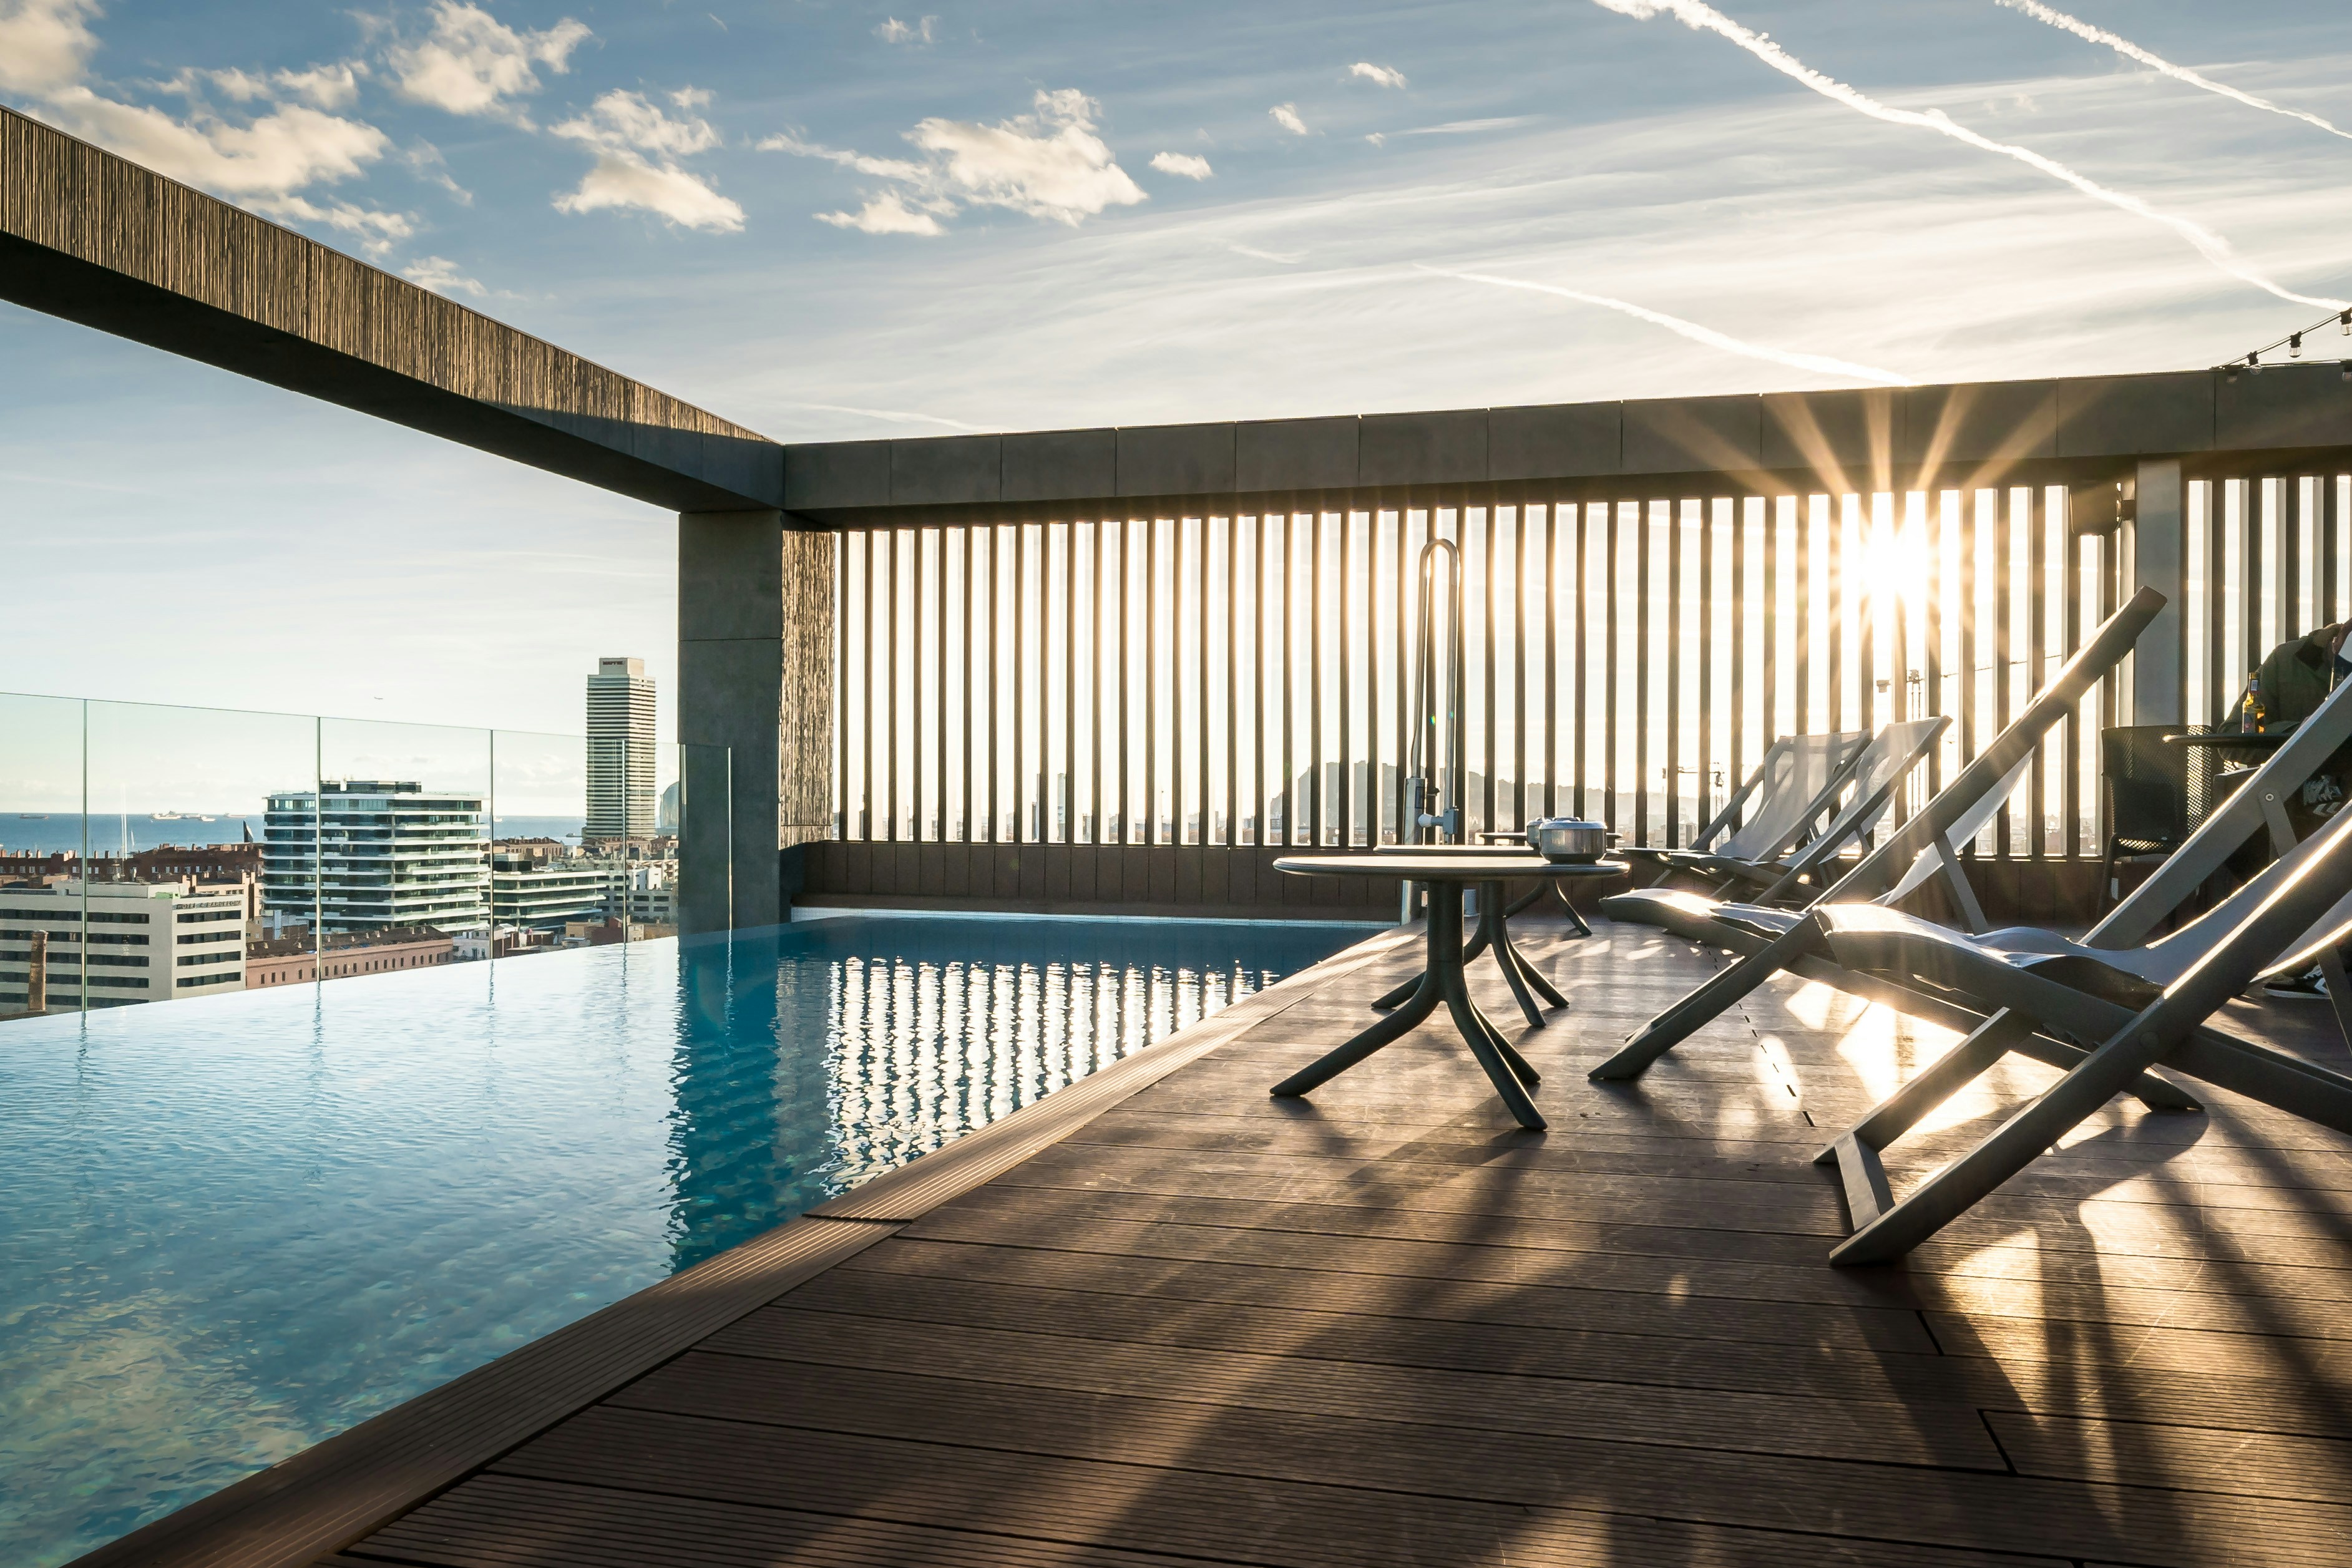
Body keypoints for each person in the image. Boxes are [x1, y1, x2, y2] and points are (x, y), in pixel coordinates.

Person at [2235, 620, 2352, 999]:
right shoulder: (2288, 662)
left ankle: (2323, 961)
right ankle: (2310, 959)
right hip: (2296, 805)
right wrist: (2303, 731)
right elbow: (2237, 736)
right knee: (2252, 845)